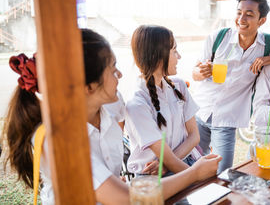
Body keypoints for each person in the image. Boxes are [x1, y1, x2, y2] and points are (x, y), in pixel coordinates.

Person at [1, 28, 221, 205]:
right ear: (88, 86)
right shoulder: (59, 141)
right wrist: (195, 173)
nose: (121, 74)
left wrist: (113, 179)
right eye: (113, 68)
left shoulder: (114, 105)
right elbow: (125, 198)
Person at [192, 0, 270, 172]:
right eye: (239, 13)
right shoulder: (218, 37)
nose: (241, 19)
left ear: (261, 20)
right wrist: (201, 72)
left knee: (222, 171)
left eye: (249, 15)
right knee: (191, 168)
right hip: (199, 112)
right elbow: (194, 73)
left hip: (227, 119)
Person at [125, 25, 204, 176]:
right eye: (174, 51)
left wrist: (167, 164)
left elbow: (194, 135)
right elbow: (166, 159)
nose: (179, 56)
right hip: (153, 176)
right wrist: (199, 175)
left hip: (183, 162)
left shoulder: (179, 85)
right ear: (158, 56)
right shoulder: (137, 103)